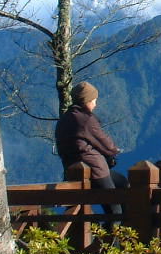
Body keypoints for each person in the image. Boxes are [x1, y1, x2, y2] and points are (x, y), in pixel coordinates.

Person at [54, 82, 127, 220]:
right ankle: (117, 232)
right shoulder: (86, 120)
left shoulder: (64, 119)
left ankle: (112, 228)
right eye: (94, 100)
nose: (95, 104)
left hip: (73, 169)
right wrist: (115, 150)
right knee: (114, 208)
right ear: (86, 101)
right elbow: (104, 142)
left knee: (122, 183)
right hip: (95, 169)